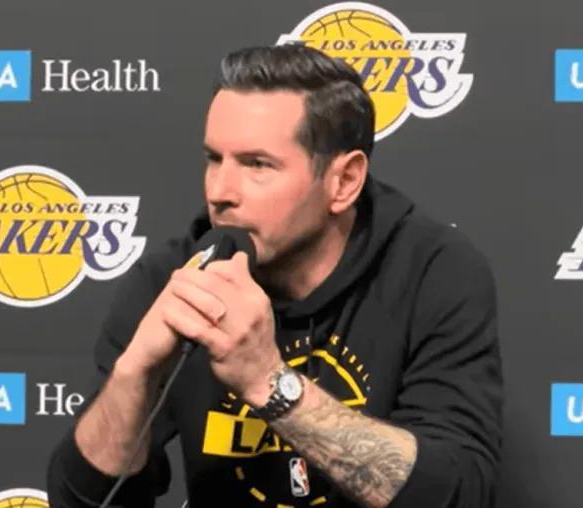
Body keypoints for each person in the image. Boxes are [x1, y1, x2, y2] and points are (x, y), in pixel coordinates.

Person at [46, 44, 503, 508]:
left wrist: (268, 382)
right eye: (214, 158)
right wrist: (134, 374)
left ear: (344, 181)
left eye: (257, 165)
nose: (219, 191)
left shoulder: (433, 272)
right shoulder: (174, 277)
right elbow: (81, 501)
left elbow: (457, 493)